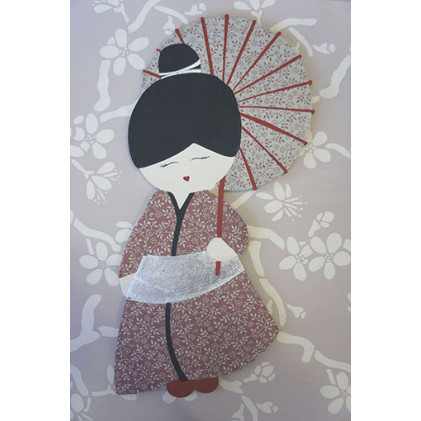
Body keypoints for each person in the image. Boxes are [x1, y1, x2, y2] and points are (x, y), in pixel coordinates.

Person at [114, 44, 279, 397]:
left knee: (205, 321)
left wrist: (228, 245)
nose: (186, 172)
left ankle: (202, 369)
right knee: (163, 327)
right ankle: (174, 371)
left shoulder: (211, 202)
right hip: (160, 278)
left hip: (209, 274)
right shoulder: (158, 203)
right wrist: (128, 271)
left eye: (200, 160)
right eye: (170, 164)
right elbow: (141, 237)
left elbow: (236, 230)